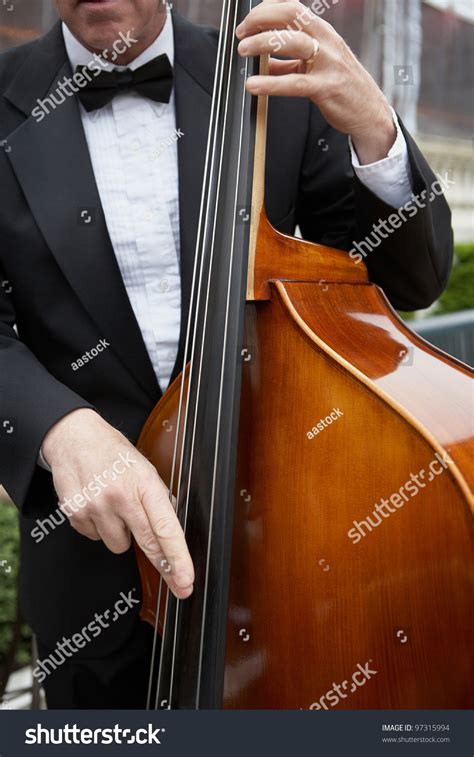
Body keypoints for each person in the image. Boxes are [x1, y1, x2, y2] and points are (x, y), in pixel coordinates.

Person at [0, 0, 452, 708]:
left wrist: (375, 127)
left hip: (287, 556)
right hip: (88, 578)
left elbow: (411, 278)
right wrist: (58, 429)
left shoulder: (273, 79)